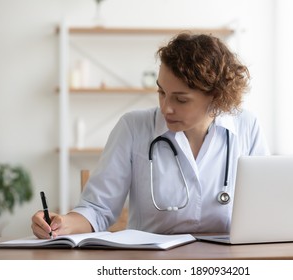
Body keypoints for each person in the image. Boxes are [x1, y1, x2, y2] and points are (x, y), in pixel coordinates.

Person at [31, 32, 269, 239]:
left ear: (216, 97)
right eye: (161, 92)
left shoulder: (247, 127)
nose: (166, 107)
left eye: (180, 99)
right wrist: (63, 224)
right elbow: (97, 208)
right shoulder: (133, 128)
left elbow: (266, 208)